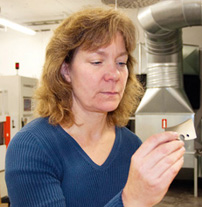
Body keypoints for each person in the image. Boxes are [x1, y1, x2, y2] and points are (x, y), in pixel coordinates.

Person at [5, 7, 185, 207]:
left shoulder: (132, 145)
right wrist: (131, 199)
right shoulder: (32, 147)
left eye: (121, 62)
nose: (114, 75)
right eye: (97, 61)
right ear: (66, 70)